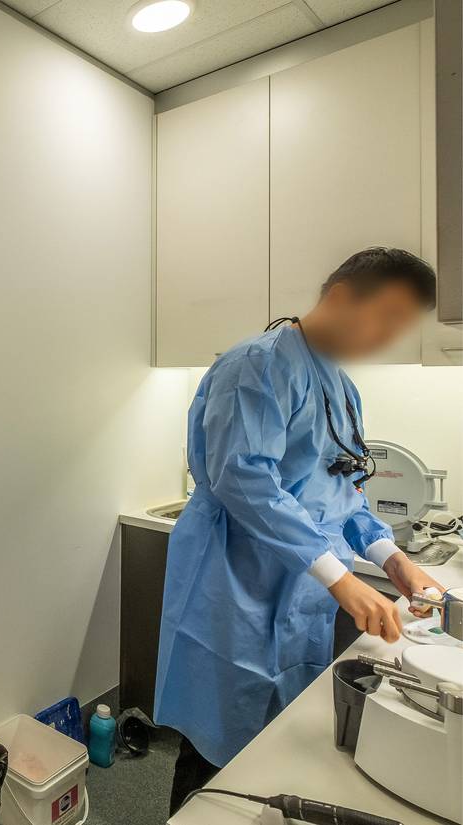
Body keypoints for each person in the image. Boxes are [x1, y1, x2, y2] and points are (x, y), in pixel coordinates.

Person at [154, 247, 445, 815]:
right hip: (233, 581)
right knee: (217, 750)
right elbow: (244, 481)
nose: (390, 338)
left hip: (300, 587)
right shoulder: (255, 365)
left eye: (402, 327)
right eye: (386, 318)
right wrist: (339, 577)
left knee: (276, 742)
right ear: (340, 298)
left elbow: (342, 487)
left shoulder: (340, 386)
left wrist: (392, 559)